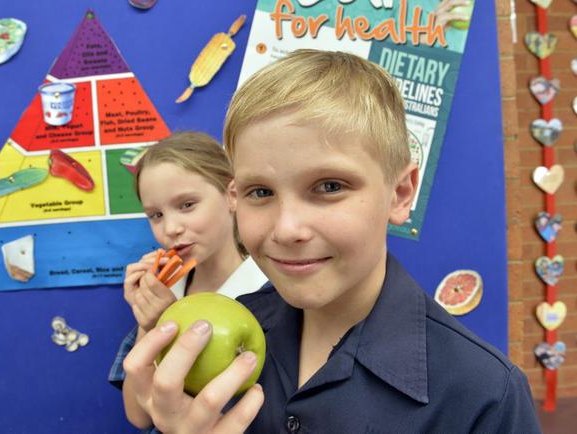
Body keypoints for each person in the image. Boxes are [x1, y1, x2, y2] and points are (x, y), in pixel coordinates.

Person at [122, 50, 541, 433]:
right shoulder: (220, 329)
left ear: (400, 193)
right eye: (261, 192)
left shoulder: (484, 394)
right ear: (236, 198)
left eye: (329, 186)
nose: (286, 229)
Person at [108, 131, 267, 430]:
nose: (170, 228)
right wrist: (150, 321)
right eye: (155, 214)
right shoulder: (170, 290)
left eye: (187, 205)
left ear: (232, 196)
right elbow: (139, 416)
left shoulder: (272, 291)